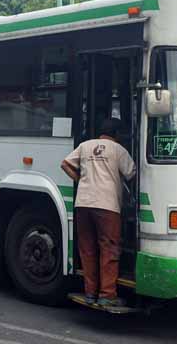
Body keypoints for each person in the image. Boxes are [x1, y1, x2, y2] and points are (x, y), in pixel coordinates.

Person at [60, 118, 136, 307]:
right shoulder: (118, 150)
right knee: (109, 249)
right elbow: (132, 173)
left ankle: (90, 293)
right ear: (117, 135)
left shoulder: (85, 146)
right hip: (107, 204)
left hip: (83, 203)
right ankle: (107, 295)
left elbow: (65, 164)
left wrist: (81, 179)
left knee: (87, 249)